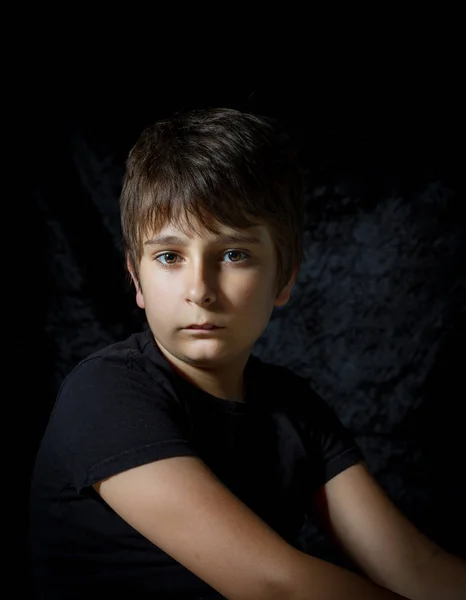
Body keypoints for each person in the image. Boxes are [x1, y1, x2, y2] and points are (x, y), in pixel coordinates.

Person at [29, 107, 466, 599]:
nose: (200, 289)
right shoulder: (105, 395)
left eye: (234, 254)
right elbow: (275, 587)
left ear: (284, 278)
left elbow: (414, 566)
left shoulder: (295, 411)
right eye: (170, 257)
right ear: (136, 278)